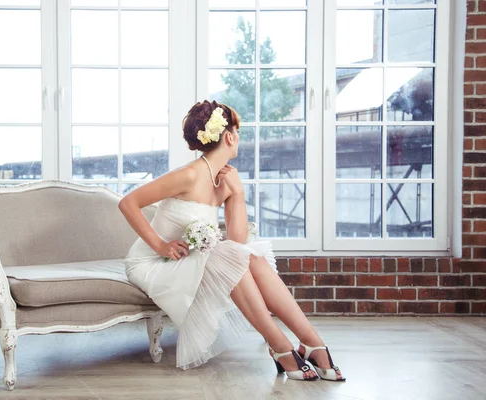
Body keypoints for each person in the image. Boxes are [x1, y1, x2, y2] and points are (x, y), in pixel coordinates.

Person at [119, 100, 345, 381]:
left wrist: (237, 194)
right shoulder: (188, 175)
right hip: (154, 263)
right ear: (229, 136)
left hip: (194, 259)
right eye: (238, 133)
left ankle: (312, 342)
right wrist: (160, 245)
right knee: (229, 255)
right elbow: (128, 202)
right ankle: (280, 346)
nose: (239, 140)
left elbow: (238, 244)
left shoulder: (227, 180)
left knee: (252, 257)